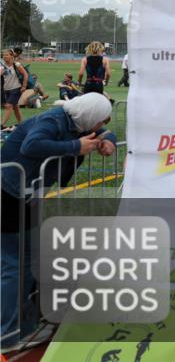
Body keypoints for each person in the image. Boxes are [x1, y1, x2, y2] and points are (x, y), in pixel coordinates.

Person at [1, 93, 116, 352]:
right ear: (90, 116)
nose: (103, 124)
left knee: (25, 261)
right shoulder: (53, 121)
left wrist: (108, 141)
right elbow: (31, 145)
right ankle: (7, 335)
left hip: (23, 195)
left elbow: (104, 132)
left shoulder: (75, 121)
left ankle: (24, 325)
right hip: (8, 194)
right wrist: (75, 147)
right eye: (102, 119)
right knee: (14, 264)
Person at [1, 50, 28, 129]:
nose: (4, 56)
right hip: (6, 89)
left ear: (12, 56)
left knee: (9, 106)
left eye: (7, 55)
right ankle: (22, 124)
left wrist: (24, 86)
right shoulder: (2, 66)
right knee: (15, 107)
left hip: (16, 88)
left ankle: (2, 125)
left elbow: (25, 74)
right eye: (3, 55)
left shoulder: (16, 64)